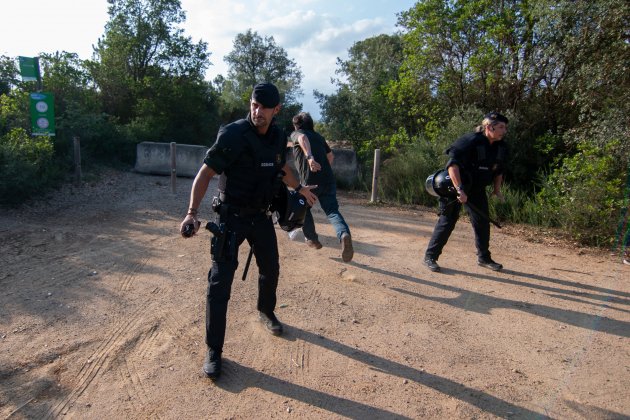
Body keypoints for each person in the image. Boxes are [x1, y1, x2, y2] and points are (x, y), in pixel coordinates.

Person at [179, 83, 317, 380]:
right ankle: (214, 350)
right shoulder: (233, 134)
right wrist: (191, 213)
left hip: (261, 217)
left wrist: (300, 188)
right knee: (219, 285)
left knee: (271, 269)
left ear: (276, 110)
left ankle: (266, 312)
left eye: (264, 108)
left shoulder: (280, 137)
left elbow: (282, 170)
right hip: (230, 218)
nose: (257, 112)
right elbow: (205, 173)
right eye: (254, 105)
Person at [423, 112, 509, 273]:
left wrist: (497, 190)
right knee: (448, 220)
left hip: (477, 189)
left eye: (505, 127)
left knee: (482, 222)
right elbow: (452, 165)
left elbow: (499, 170)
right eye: (501, 127)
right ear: (489, 127)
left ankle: (484, 258)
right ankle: (430, 257)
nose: (504, 131)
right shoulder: (470, 141)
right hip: (455, 187)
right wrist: (459, 189)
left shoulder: (501, 147)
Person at [289, 111, 354, 262]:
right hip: (328, 179)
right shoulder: (319, 137)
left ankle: (312, 238)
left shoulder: (298, 133)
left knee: (301, 207)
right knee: (332, 211)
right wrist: (323, 168)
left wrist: (310, 158)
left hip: (310, 181)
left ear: (297, 125)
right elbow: (331, 156)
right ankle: (344, 234)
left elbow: (302, 138)